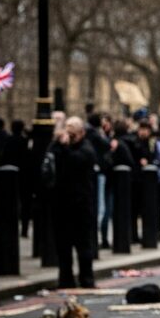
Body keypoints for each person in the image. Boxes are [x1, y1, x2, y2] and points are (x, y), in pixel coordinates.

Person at [52, 117, 98, 288]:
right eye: (68, 133)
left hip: (81, 205)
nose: (70, 137)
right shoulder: (61, 147)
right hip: (62, 204)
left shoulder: (87, 149)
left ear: (81, 133)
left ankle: (87, 279)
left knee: (83, 245)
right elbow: (50, 158)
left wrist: (64, 147)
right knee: (63, 246)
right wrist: (57, 141)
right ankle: (66, 279)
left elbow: (74, 162)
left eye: (73, 134)